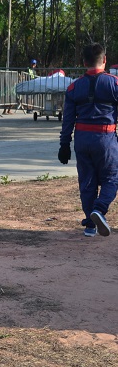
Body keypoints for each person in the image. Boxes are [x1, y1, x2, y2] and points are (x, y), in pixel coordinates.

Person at [58, 43, 118, 237]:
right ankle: (99, 210)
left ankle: (90, 226)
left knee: (87, 181)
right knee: (112, 179)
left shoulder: (74, 86)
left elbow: (68, 119)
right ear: (105, 60)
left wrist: (64, 145)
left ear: (83, 62)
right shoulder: (114, 83)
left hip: (82, 139)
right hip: (105, 138)